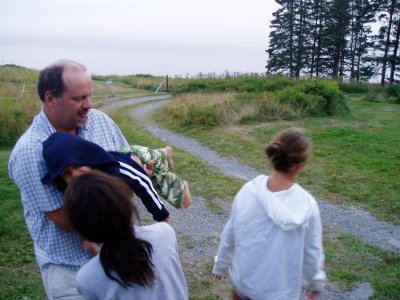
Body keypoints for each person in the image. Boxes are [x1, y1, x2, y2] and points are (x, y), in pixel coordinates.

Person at [8, 59, 133, 299]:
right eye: (78, 99)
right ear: (50, 99)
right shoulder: (30, 152)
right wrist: (119, 186)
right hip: (71, 272)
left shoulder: (100, 121)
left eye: (89, 95)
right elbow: (67, 220)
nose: (89, 105)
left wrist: (131, 175)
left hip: (119, 255)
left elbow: (128, 168)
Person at [212, 128, 326, 300]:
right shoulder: (308, 205)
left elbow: (230, 234)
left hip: (243, 289)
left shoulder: (248, 192)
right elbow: (312, 252)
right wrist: (315, 283)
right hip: (281, 294)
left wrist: (221, 265)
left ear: (273, 158)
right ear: (298, 166)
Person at [64, 171, 188, 300]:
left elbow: (116, 269)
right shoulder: (164, 233)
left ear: (84, 230)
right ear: (126, 203)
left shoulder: (86, 279)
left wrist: (93, 250)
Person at [41, 132, 192, 211]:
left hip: (131, 155)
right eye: (66, 173)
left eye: (76, 167)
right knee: (152, 169)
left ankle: (171, 164)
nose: (74, 174)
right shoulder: (74, 180)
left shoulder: (109, 170)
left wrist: (161, 213)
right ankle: (164, 153)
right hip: (122, 154)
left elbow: (140, 182)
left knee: (154, 172)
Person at [121, 145, 192, 209]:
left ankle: (181, 187)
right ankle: (164, 152)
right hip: (128, 152)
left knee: (158, 179)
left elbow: (141, 190)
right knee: (153, 158)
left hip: (138, 160)